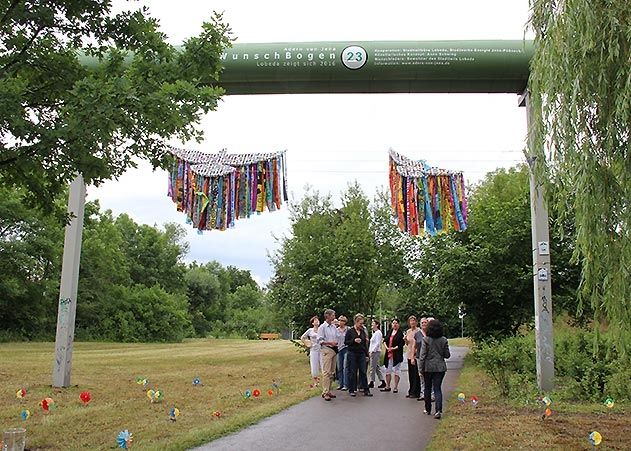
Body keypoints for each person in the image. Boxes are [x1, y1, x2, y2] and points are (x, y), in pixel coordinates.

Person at [419, 319, 451, 419]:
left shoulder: (426, 340)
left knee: (427, 388)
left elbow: (422, 355)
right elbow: (447, 355)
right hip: (440, 367)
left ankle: (427, 409)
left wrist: (420, 368)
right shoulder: (444, 340)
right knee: (437, 388)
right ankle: (438, 410)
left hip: (428, 367)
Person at [344, 313, 373, 397]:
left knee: (363, 371)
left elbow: (364, 344)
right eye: (360, 323)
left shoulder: (363, 331)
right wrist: (354, 340)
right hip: (352, 353)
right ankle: (352, 389)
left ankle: (366, 389)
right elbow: (346, 342)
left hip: (361, 353)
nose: (361, 325)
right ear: (356, 322)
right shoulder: (350, 331)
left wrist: (367, 355)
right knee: (352, 371)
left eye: (362, 323)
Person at [317, 309, 339, 401]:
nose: (334, 317)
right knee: (326, 371)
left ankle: (329, 390)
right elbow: (320, 340)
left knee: (332, 372)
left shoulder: (333, 327)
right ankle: (325, 392)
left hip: (334, 350)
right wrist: (330, 342)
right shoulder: (322, 327)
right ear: (328, 316)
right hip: (327, 349)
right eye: (333, 315)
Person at [381, 318, 404, 393]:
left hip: (396, 354)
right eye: (393, 323)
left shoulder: (400, 333)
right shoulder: (389, 332)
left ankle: (396, 387)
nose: (394, 324)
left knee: (396, 370)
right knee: (388, 369)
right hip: (388, 353)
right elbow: (385, 341)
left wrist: (393, 348)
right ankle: (387, 386)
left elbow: (401, 344)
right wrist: (387, 348)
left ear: (398, 324)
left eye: (396, 323)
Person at [300, 316, 321, 388]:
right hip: (314, 350)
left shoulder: (321, 329)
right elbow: (302, 337)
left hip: (322, 349)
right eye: (315, 320)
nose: (317, 321)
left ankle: (325, 382)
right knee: (314, 366)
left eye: (317, 320)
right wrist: (307, 343)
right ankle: (315, 382)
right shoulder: (310, 330)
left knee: (323, 365)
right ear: (312, 323)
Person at [405, 315, 421, 399]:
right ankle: (411, 390)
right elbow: (408, 343)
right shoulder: (408, 331)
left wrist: (414, 354)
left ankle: (416, 391)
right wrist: (405, 340)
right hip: (409, 353)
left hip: (415, 354)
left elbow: (418, 343)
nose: (412, 322)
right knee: (410, 374)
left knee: (416, 374)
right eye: (411, 321)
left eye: (413, 321)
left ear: (416, 322)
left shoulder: (418, 331)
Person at [368, 319, 386, 389]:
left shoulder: (378, 333)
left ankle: (372, 381)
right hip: (373, 351)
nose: (372, 325)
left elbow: (378, 343)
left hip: (375, 352)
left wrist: (372, 351)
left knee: (372, 367)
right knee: (377, 367)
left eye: (373, 323)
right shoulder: (374, 333)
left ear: (377, 325)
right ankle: (382, 381)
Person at [336, 315, 349, 391]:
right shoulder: (336, 330)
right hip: (338, 349)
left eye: (342, 321)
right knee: (339, 367)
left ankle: (345, 384)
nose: (340, 322)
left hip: (346, 348)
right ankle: (340, 383)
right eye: (339, 320)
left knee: (345, 367)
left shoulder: (348, 329)